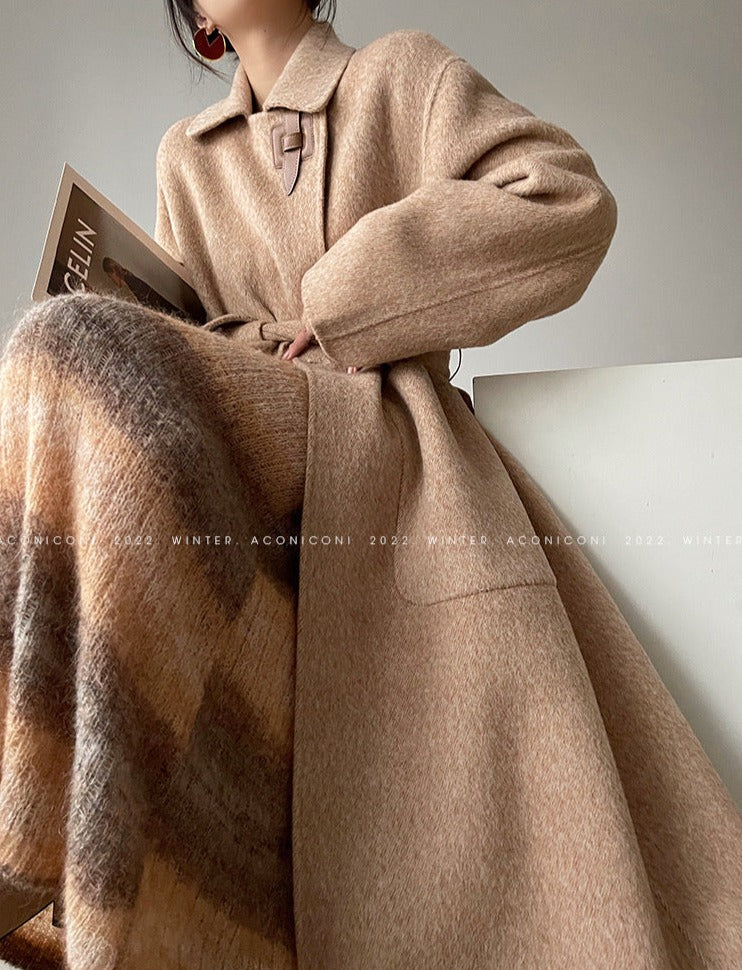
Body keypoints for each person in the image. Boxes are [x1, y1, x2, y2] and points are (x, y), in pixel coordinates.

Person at [0, 2, 741, 969]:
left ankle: (28, 840)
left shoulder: (401, 75)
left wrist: (347, 301)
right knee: (56, 354)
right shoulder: (185, 156)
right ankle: (40, 829)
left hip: (388, 458)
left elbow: (563, 198)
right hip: (252, 484)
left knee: (61, 341)